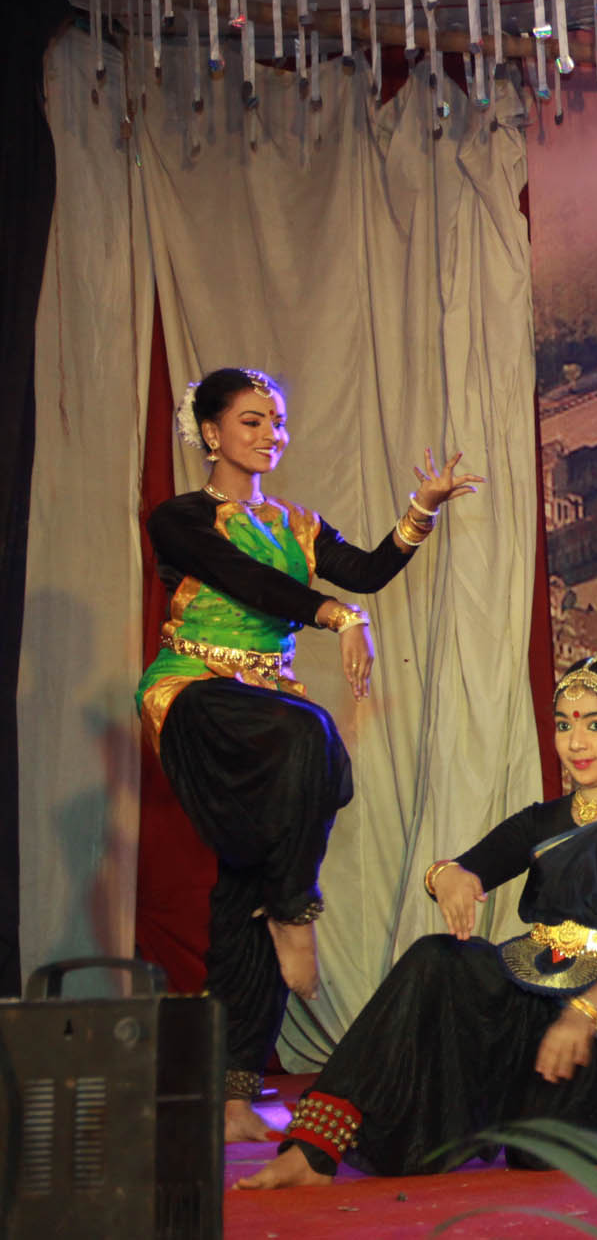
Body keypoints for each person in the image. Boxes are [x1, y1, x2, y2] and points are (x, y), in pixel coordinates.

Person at [136, 367, 481, 1143]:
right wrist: (335, 616)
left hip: (266, 702)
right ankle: (295, 909)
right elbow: (244, 580)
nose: (271, 435)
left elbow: (365, 570)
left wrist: (421, 509)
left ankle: (233, 1094)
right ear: (212, 433)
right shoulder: (180, 518)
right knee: (312, 735)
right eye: (252, 421)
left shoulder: (296, 523)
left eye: (278, 421)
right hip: (196, 696)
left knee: (246, 880)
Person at [238, 654, 597, 1189]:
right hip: (537, 996)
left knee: (541, 1153)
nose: (576, 743)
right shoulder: (543, 820)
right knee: (438, 958)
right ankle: (314, 1149)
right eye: (564, 725)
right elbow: (468, 867)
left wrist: (582, 1014)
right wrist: (447, 876)